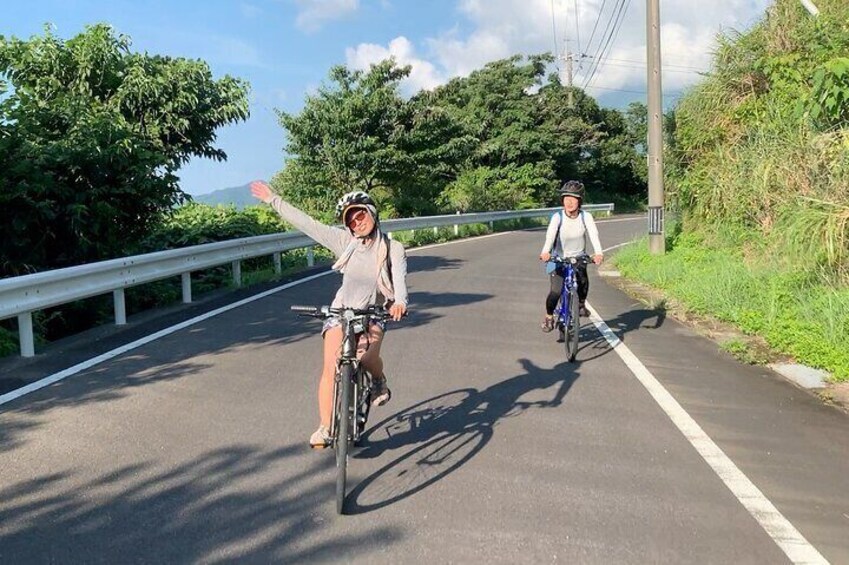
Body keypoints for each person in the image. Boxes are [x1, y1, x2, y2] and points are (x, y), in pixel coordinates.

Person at [250, 181, 408, 448]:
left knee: (367, 357)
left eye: (361, 215)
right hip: (341, 311)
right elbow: (308, 224)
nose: (357, 222)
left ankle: (378, 381)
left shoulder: (393, 249)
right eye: (351, 220)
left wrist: (399, 302)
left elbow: (400, 284)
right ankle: (325, 427)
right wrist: (273, 199)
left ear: (371, 212)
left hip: (373, 312)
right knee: (330, 366)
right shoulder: (345, 242)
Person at [538, 180, 603, 332]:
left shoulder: (585, 217)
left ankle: (580, 304)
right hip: (559, 258)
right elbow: (550, 236)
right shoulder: (557, 217)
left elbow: (594, 234)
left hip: (578, 257)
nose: (569, 202)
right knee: (555, 292)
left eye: (573, 199)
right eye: (566, 199)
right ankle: (549, 317)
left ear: (579, 201)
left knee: (583, 283)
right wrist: (545, 252)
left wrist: (599, 253)